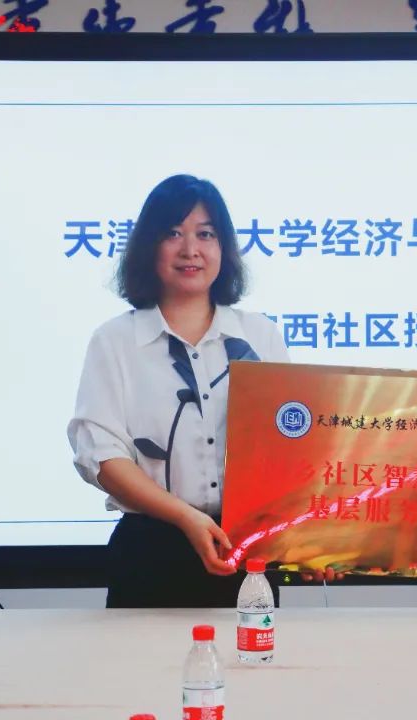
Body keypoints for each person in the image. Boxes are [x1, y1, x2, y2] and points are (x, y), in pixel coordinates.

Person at [68, 174, 290, 608]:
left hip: (245, 550)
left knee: (250, 653)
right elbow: (102, 456)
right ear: (149, 247)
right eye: (173, 233)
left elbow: (291, 446)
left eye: (205, 234)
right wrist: (185, 517)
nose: (191, 249)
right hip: (150, 551)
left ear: (224, 248)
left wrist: (316, 533)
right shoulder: (115, 341)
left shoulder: (260, 335)